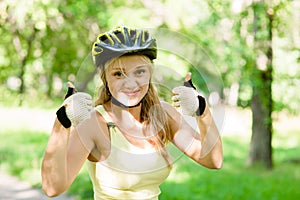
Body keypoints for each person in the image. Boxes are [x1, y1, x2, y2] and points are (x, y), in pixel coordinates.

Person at [41, 26, 223, 200]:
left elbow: (213, 160)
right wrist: (62, 121)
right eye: (118, 74)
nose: (130, 83)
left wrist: (202, 110)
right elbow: (53, 188)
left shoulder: (163, 114)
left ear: (149, 74)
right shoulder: (95, 123)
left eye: (139, 72)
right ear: (105, 78)